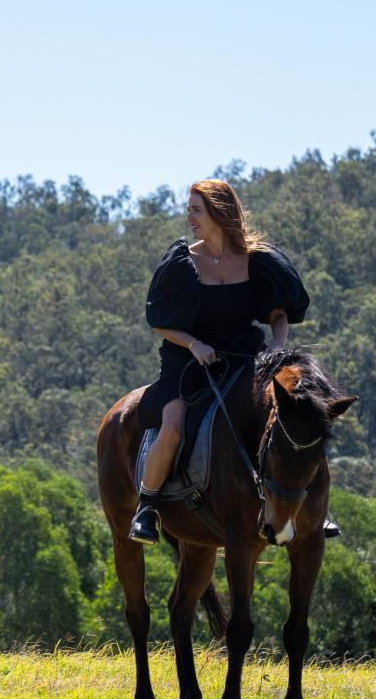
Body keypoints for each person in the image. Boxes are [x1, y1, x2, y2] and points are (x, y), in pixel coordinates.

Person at [129, 179, 338, 545]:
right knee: (174, 424)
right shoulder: (181, 263)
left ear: (219, 212)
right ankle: (147, 505)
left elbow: (278, 314)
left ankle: (316, 507)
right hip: (189, 362)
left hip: (247, 359)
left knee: (297, 417)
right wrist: (193, 343)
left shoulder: (260, 262)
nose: (189, 216)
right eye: (190, 209)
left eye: (196, 209)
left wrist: (277, 343)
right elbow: (160, 322)